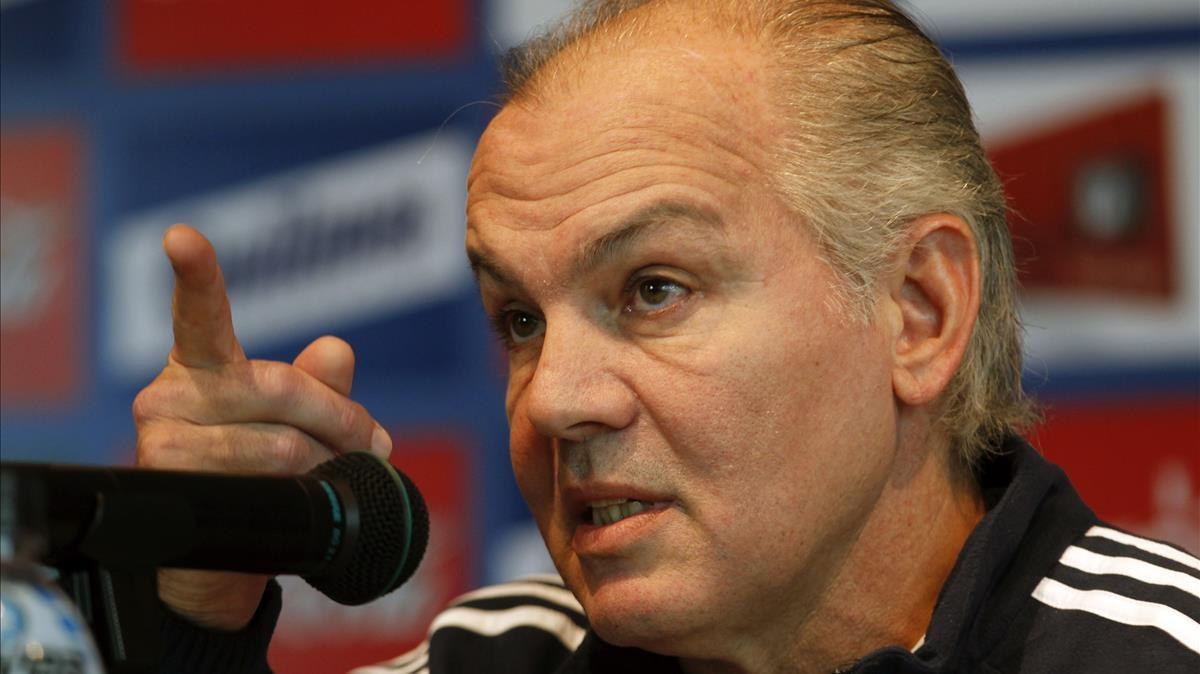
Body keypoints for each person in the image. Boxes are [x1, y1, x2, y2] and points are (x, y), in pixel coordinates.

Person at [139, 1, 1200, 672]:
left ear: (917, 311)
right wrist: (192, 632)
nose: (554, 398)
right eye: (518, 319)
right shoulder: (487, 659)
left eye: (653, 289)